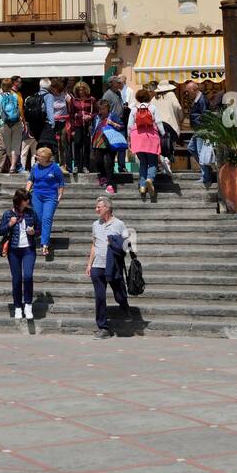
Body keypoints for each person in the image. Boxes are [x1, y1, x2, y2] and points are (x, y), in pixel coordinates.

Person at [85, 195, 131, 338]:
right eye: (96, 207)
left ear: (107, 208)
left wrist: (115, 243)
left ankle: (124, 305)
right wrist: (89, 264)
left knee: (119, 294)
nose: (96, 209)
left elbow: (127, 246)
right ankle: (103, 328)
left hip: (113, 265)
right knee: (100, 297)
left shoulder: (119, 224)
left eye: (99, 207)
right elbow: (93, 244)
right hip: (97, 266)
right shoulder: (95, 224)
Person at [0, 188, 38, 320]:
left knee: (27, 276)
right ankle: (18, 307)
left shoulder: (31, 213)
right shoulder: (8, 214)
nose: (28, 202)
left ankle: (28, 305)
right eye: (26, 200)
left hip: (29, 249)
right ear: (20, 200)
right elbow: (0, 231)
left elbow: (40, 229)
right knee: (16, 279)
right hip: (14, 250)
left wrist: (34, 232)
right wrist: (10, 224)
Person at [27, 145, 65, 259]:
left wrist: (60, 194)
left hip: (50, 196)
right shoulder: (35, 167)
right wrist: (26, 192)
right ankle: (37, 235)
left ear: (45, 158)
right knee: (38, 218)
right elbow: (30, 180)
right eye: (37, 155)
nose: (36, 157)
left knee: (47, 218)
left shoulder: (55, 168)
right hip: (37, 195)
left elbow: (61, 181)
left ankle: (45, 244)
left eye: (39, 155)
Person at [128, 88, 163, 201]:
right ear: (148, 97)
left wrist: (129, 138)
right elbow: (158, 122)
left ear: (137, 98)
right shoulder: (152, 108)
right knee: (152, 162)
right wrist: (163, 133)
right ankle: (150, 179)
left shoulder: (134, 109)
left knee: (143, 162)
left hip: (137, 138)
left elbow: (130, 125)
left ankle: (142, 186)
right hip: (151, 136)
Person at [0, 77, 23, 174]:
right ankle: (12, 166)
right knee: (14, 146)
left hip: (3, 124)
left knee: (5, 147)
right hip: (16, 123)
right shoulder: (15, 96)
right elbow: (19, 111)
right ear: (11, 86)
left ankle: (1, 168)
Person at [92, 102, 128, 195]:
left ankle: (110, 184)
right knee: (98, 161)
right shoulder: (97, 117)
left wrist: (112, 123)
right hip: (98, 141)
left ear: (107, 108)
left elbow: (122, 127)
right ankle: (103, 176)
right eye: (100, 109)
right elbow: (94, 129)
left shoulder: (113, 116)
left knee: (109, 163)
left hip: (110, 142)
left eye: (103, 109)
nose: (101, 111)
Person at [184, 79, 213, 185]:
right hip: (198, 130)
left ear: (194, 89)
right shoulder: (197, 99)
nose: (187, 93)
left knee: (201, 152)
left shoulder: (202, 100)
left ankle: (206, 177)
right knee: (191, 148)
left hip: (202, 129)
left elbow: (205, 114)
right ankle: (207, 171)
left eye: (188, 91)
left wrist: (204, 129)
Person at [69, 80, 96, 175]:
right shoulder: (74, 100)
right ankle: (76, 165)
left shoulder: (92, 100)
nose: (81, 92)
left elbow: (96, 113)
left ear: (86, 90)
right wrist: (72, 129)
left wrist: (90, 116)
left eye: (82, 90)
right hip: (77, 125)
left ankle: (85, 166)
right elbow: (71, 115)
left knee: (86, 146)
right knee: (77, 144)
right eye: (79, 90)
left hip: (88, 126)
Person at [48, 79, 72, 164]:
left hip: (63, 121)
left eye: (53, 88)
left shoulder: (65, 95)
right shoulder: (50, 96)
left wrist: (69, 114)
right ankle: (54, 163)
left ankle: (64, 163)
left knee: (63, 143)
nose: (52, 90)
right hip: (53, 123)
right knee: (53, 143)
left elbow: (71, 105)